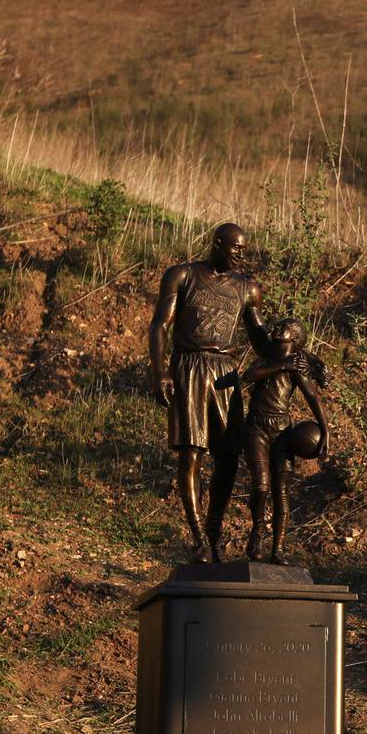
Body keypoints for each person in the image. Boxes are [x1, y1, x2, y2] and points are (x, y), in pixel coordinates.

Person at [147, 222, 266, 562]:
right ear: (217, 244)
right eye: (235, 248)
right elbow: (160, 326)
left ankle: (214, 531)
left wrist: (293, 354)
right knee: (192, 453)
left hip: (225, 371)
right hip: (189, 366)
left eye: (244, 249)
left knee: (228, 457)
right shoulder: (181, 276)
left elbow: (260, 336)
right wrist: (160, 372)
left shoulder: (247, 289)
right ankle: (199, 538)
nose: (240, 255)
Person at [240, 319, 329, 562]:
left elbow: (313, 397)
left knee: (281, 493)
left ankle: (277, 548)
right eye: (279, 324)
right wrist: (282, 365)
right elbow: (249, 375)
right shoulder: (267, 361)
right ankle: (258, 529)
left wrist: (325, 429)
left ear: (295, 339)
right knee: (260, 485)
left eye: (287, 326)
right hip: (256, 426)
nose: (279, 327)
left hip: (281, 431)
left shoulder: (297, 368)